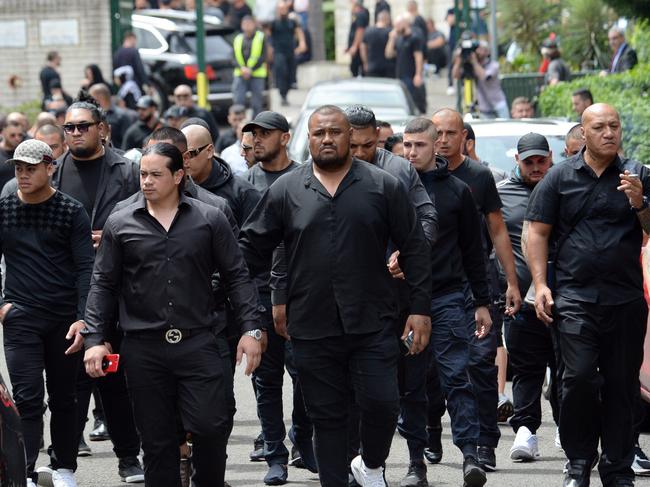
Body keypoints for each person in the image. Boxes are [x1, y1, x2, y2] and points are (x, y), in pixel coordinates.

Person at [239, 105, 432, 487]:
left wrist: (420, 309)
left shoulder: (382, 185)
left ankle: (371, 465)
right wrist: (249, 311)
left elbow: (415, 247)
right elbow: (250, 252)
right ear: (307, 139)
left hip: (373, 320)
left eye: (335, 132)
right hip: (311, 324)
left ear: (351, 136)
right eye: (318, 133)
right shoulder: (286, 189)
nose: (327, 139)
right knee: (326, 417)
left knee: (382, 402)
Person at [83, 142, 262, 487]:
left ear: (179, 175)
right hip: (143, 347)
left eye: (156, 174)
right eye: (143, 174)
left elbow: (237, 276)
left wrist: (251, 329)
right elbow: (103, 284)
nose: (147, 181)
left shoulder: (210, 218)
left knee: (211, 426)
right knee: (157, 441)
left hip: (199, 342)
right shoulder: (121, 223)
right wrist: (95, 338)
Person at [526, 103, 650, 487]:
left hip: (625, 300)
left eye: (614, 125)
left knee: (621, 383)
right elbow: (536, 232)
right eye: (600, 127)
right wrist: (542, 284)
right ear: (583, 133)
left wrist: (640, 204)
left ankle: (617, 466)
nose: (609, 133)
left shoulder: (639, 175)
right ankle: (579, 460)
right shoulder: (560, 177)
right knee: (577, 379)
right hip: (574, 299)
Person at [431, 108, 522, 472]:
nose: (442, 140)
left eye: (450, 133)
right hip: (433, 284)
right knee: (429, 369)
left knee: (481, 364)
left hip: (476, 283)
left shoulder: (479, 177)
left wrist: (512, 281)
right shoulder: (414, 177)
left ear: (464, 139)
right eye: (437, 133)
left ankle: (485, 442)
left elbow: (498, 231)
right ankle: (429, 429)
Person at [0, 139, 95, 487]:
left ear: (49, 167)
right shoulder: (5, 208)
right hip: (21, 316)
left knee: (64, 397)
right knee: (26, 398)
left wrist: (83, 317)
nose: (23, 175)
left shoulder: (71, 211)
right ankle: (23, 472)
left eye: (30, 168)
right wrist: (2, 306)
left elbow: (87, 267)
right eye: (18, 169)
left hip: (64, 318)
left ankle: (64, 468)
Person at [401, 117, 489, 487]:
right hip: (403, 304)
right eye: (406, 144)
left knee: (457, 378)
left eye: (419, 144)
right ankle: (415, 463)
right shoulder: (391, 188)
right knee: (412, 384)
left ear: (436, 144)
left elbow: (474, 251)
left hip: (448, 298)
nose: (411, 152)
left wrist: (483, 302)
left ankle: (471, 456)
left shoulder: (457, 191)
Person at [241, 111, 315, 485]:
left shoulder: (304, 178)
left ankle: (302, 436)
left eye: (265, 133)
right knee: (266, 380)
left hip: (300, 295)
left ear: (285, 138)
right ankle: (275, 454)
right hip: (257, 295)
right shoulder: (244, 184)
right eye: (253, 134)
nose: (257, 140)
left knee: (305, 374)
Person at [496, 133, 559, 463]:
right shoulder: (502, 194)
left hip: (566, 297)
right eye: (528, 162)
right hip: (521, 299)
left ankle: (567, 427)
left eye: (541, 161)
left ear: (551, 157)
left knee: (567, 370)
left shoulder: (564, 186)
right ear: (516, 161)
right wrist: (505, 285)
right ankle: (526, 430)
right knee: (526, 369)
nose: (536, 167)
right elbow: (490, 240)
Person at [181, 123, 260, 229]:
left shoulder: (243, 192)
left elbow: (253, 241)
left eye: (190, 154)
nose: (184, 162)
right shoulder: (172, 190)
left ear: (209, 151)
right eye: (179, 156)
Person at [2, 124, 67, 198]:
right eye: (19, 169)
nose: (47, 152)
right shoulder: (12, 188)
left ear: (64, 146)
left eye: (52, 147)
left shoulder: (71, 178)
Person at [452, 42, 509, 119]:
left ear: (487, 52)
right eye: (476, 49)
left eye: (481, 49)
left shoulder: (493, 65)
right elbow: (456, 75)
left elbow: (484, 77)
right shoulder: (471, 66)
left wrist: (474, 62)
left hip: (498, 104)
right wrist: (459, 60)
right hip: (484, 108)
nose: (478, 52)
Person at [385, 14, 427, 114]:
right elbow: (388, 54)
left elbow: (419, 57)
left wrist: (418, 74)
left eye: (398, 25)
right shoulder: (399, 39)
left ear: (405, 24)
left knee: (412, 100)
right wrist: (391, 39)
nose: (396, 28)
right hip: (400, 74)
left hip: (411, 75)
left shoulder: (414, 38)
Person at [269, 1, 307, 106]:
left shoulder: (292, 21)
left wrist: (302, 43)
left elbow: (299, 32)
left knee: (291, 73)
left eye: (284, 8)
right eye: (280, 8)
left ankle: (288, 89)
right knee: (282, 72)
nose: (282, 10)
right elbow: (269, 37)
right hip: (279, 52)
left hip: (290, 51)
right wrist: (270, 50)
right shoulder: (274, 23)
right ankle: (282, 94)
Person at [232, 16, 268, 117]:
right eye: (245, 24)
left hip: (257, 74)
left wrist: (250, 69)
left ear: (254, 25)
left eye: (249, 24)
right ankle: (239, 122)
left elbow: (263, 56)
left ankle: (256, 125)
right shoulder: (238, 38)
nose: (247, 27)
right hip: (240, 74)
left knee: (257, 103)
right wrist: (242, 68)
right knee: (238, 101)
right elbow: (233, 57)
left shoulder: (260, 37)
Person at [88, 84, 134, 150]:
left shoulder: (122, 116)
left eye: (91, 99)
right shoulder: (92, 115)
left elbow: (128, 141)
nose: (89, 102)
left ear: (99, 98)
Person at [360, 10, 394, 78]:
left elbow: (363, 48)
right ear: (387, 19)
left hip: (371, 67)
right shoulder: (390, 32)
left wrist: (365, 63)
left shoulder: (368, 31)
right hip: (387, 69)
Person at [346, 0, 370, 77]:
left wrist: (354, 46)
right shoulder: (358, 14)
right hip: (357, 47)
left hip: (358, 48)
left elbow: (360, 30)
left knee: (355, 69)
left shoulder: (361, 14)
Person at [0, 118, 25, 188]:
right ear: (2, 133)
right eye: (12, 135)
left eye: (20, 135)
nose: (17, 138)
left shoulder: (25, 153)